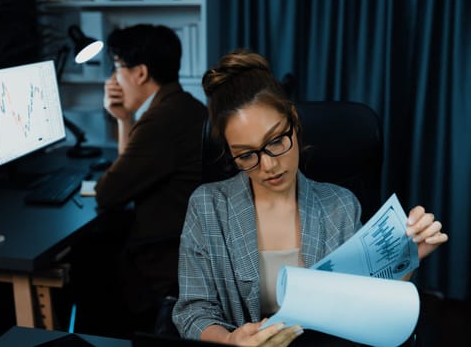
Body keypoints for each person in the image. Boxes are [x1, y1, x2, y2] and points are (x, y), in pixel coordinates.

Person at [172, 49, 448, 347]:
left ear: (293, 121)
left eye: (276, 140)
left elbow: (367, 303)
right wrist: (229, 340)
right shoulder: (207, 206)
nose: (268, 165)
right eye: (246, 155)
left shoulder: (339, 205)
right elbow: (193, 310)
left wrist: (406, 257)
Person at [70, 24, 207, 339]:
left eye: (117, 68)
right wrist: (123, 119)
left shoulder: (161, 121)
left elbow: (109, 192)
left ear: (140, 73)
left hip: (166, 258)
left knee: (87, 255)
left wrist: (127, 121)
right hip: (186, 246)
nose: (113, 79)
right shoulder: (183, 106)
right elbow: (130, 172)